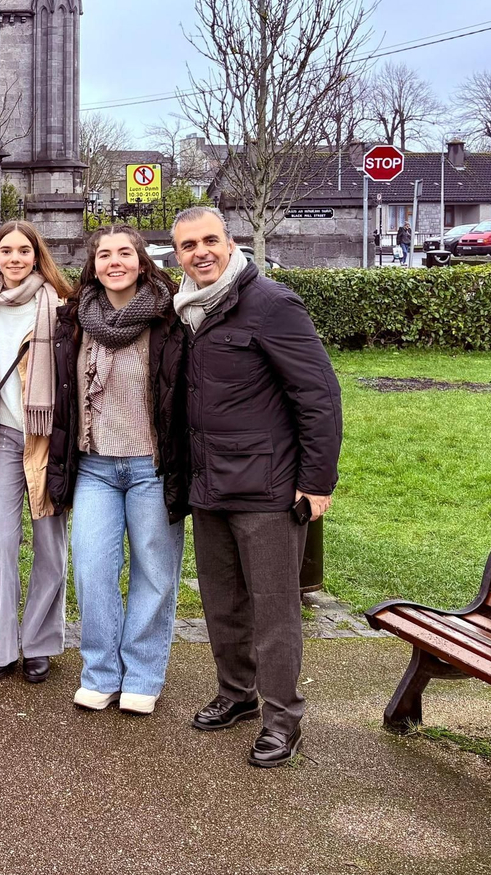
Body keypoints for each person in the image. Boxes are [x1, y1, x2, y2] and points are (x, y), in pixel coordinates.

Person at [171, 206, 341, 768]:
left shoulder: (271, 304)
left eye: (210, 241)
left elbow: (318, 397)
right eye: (189, 245)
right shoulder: (188, 311)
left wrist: (316, 483)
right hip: (210, 484)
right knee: (222, 603)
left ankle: (282, 718)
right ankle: (236, 693)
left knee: (274, 610)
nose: (201, 252)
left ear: (230, 242)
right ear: (178, 254)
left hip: (268, 489)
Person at [47, 225, 189, 715]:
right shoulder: (74, 319)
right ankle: (101, 673)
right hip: (93, 468)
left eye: (124, 252)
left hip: (151, 466)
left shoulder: (170, 318)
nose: (114, 261)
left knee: (154, 572)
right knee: (92, 570)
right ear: (94, 263)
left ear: (141, 260)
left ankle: (144, 675)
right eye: (104, 254)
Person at [0, 221, 73, 685]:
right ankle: (3, 645)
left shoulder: (59, 305)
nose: (14, 259)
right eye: (6, 251)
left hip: (45, 436)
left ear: (36, 255)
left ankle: (41, 643)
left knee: (49, 545)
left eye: (23, 251)